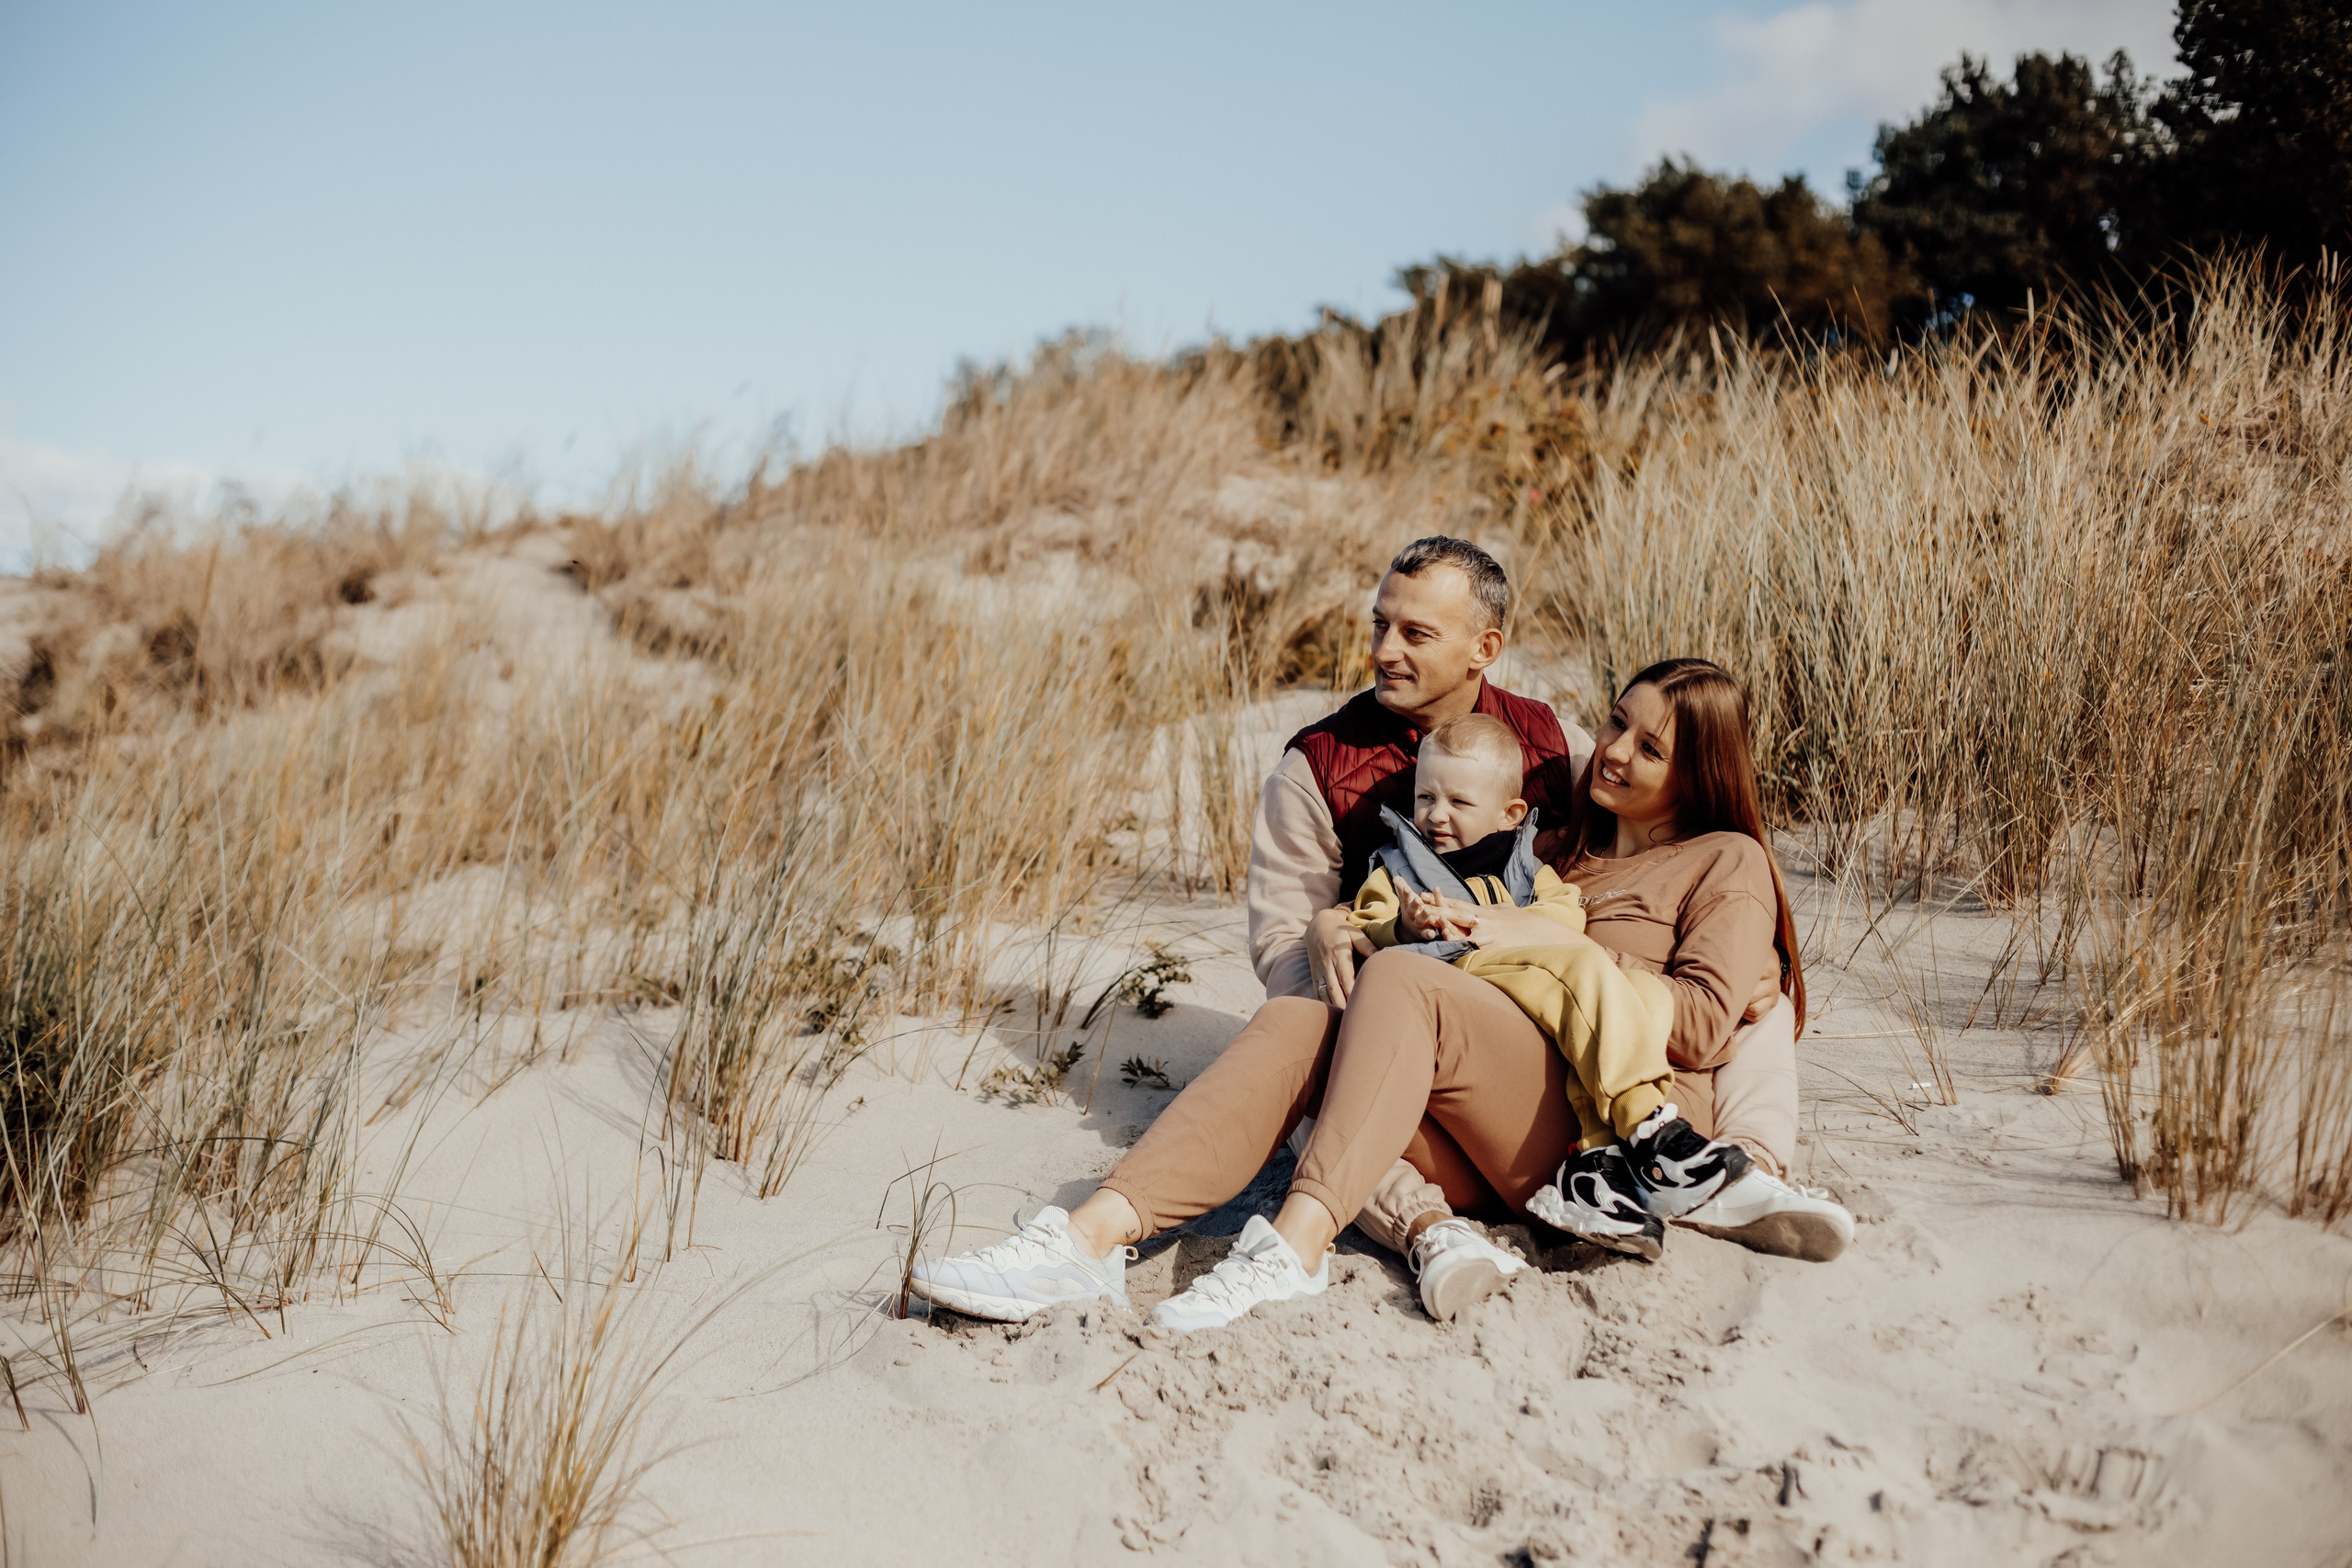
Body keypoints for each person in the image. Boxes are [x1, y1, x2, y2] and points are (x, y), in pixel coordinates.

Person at [909, 649, 1853, 1332]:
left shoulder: (1725, 861)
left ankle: (1294, 1248)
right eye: (1615, 723)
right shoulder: (1558, 852)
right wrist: (1333, 923)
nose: (1614, 751)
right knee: (1302, 1018)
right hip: (1488, 1125)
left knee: (1403, 979)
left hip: (1594, 1137)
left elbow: (1693, 1030)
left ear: (1699, 769)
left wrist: (1517, 935)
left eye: (1652, 747)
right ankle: (1086, 1243)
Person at [1351, 712, 1755, 1264]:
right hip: (1454, 983)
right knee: (1586, 977)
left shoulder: (1528, 862)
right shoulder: (1403, 865)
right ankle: (1637, 1130)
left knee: (1588, 980)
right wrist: (1399, 924)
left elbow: (1565, 919)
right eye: (1425, 799)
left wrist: (1520, 924)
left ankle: (1613, 1154)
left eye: (1458, 804)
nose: (1436, 816)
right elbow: (1369, 914)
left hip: (1527, 1007)